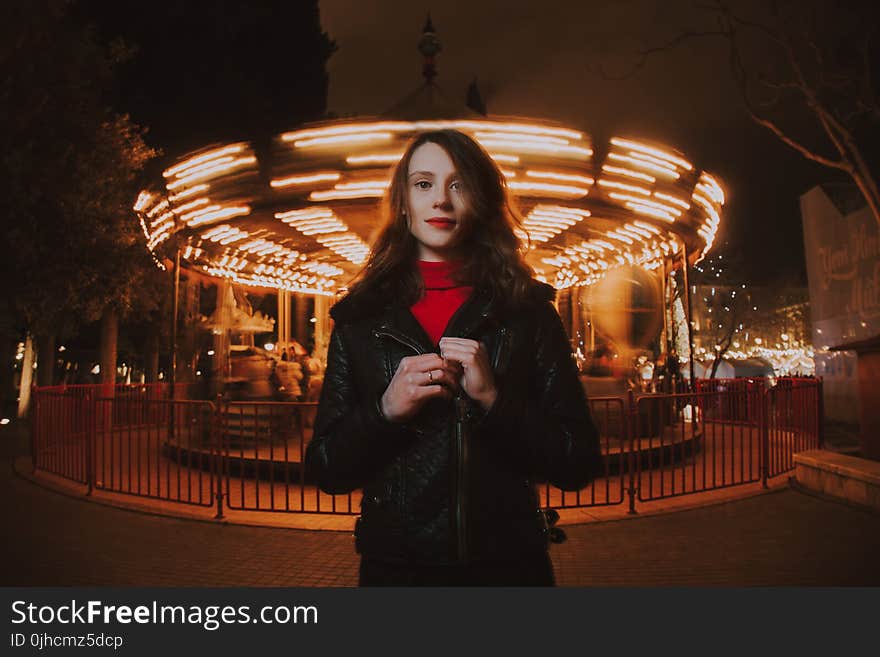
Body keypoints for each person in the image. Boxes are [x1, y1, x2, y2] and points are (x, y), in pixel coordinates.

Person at [305, 129, 602, 586]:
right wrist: (385, 412)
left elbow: (577, 462)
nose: (441, 200)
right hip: (397, 571)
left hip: (508, 568)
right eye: (424, 183)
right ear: (403, 201)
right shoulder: (360, 320)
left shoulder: (527, 314)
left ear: (479, 200)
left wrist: (495, 400)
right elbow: (326, 468)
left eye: (458, 184)